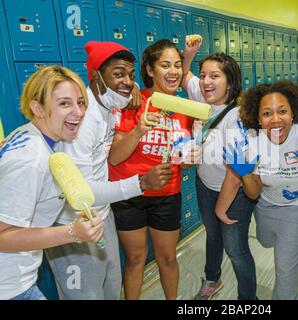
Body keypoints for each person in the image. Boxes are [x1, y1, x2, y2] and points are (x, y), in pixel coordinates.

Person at [46, 41, 158, 300]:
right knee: (85, 295)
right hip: (72, 223)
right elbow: (82, 192)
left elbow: (126, 89)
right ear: (96, 76)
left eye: (131, 75)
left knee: (110, 286)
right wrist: (139, 183)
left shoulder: (107, 104)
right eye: (118, 74)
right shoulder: (82, 121)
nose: (127, 81)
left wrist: (132, 88)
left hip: (101, 213)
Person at [222, 80, 298, 299]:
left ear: (293, 113)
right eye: (267, 113)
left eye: (282, 111)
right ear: (258, 119)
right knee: (265, 241)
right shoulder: (253, 143)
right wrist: (245, 174)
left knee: (284, 267)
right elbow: (253, 194)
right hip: (266, 206)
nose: (275, 119)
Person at [0, 66, 103, 300]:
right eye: (64, 104)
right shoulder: (31, 159)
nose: (78, 112)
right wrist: (72, 232)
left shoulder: (28, 135)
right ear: (38, 108)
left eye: (80, 102)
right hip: (9, 286)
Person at [108, 39, 197, 300]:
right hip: (129, 193)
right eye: (165, 65)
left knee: (168, 258)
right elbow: (114, 158)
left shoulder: (186, 110)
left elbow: (185, 160)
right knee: (136, 258)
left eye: (178, 66)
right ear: (149, 70)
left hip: (167, 194)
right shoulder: (132, 102)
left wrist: (192, 157)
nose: (173, 72)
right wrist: (139, 130)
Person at [182, 37, 257, 300]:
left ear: (230, 81)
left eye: (214, 76)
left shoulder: (238, 117)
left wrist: (220, 207)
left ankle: (248, 300)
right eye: (203, 75)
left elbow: (235, 175)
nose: (205, 81)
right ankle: (212, 279)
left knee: (236, 250)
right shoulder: (202, 98)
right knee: (213, 237)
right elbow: (185, 77)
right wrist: (189, 54)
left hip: (232, 193)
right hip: (204, 184)